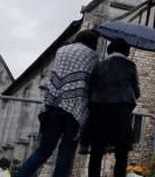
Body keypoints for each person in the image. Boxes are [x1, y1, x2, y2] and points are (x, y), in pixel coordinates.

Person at [17, 29, 99, 177]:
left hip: (53, 104)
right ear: (93, 42)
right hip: (75, 109)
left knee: (43, 150)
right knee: (66, 151)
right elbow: (92, 81)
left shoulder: (62, 51)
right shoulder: (93, 56)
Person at [87, 38, 140, 177]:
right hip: (121, 111)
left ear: (110, 49)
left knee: (96, 151)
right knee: (121, 152)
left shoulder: (99, 65)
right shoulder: (130, 66)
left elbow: (90, 87)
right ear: (126, 51)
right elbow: (136, 92)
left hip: (100, 109)